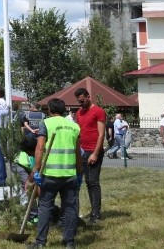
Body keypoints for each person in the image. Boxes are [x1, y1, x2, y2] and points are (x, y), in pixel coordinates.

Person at [29, 98, 82, 249]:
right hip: (69, 174)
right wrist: (79, 172)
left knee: (45, 207)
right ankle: (69, 242)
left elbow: (40, 148)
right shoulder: (74, 126)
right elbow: (77, 152)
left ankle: (40, 242)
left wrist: (36, 169)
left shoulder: (46, 123)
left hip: (50, 174)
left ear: (50, 110)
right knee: (70, 208)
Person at [74, 87, 105, 225]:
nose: (81, 103)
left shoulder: (98, 111)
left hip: (93, 151)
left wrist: (95, 153)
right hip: (82, 151)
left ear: (88, 97)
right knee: (83, 182)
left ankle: (96, 214)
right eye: (79, 101)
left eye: (82, 100)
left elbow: (101, 134)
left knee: (93, 182)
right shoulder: (79, 113)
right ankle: (88, 213)